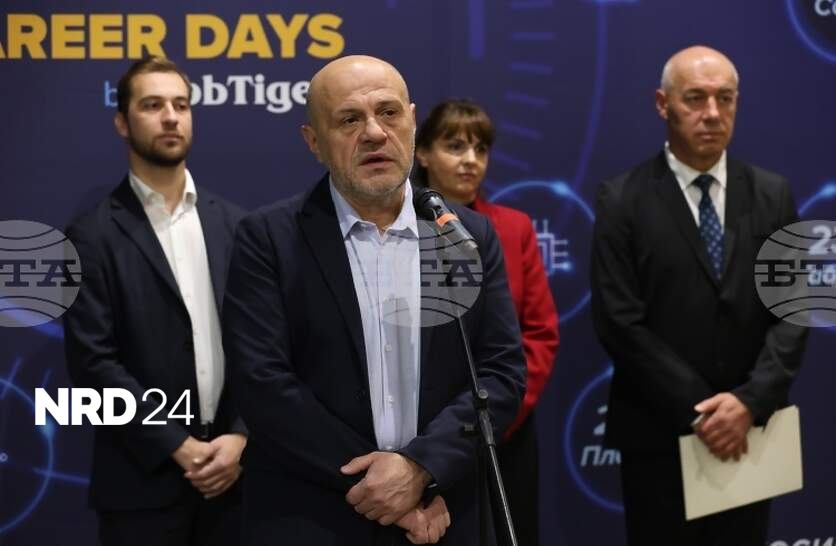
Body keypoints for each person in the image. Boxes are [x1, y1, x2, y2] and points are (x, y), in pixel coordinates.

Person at [221, 55, 526, 546]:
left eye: (388, 113)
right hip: (313, 518)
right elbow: (262, 384)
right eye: (349, 120)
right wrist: (384, 487)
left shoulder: (461, 235)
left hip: (444, 514)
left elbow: (499, 373)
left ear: (412, 121)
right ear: (314, 142)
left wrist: (423, 469)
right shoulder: (269, 239)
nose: (374, 133)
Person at [590, 45, 809, 546]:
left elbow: (793, 310)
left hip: (751, 434)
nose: (712, 113)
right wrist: (706, 411)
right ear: (662, 104)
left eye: (724, 98)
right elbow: (619, 323)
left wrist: (748, 403)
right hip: (659, 436)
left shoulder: (773, 193)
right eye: (695, 98)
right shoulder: (621, 199)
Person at [63, 56, 247, 546]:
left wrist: (241, 436)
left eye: (181, 105)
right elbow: (92, 363)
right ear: (122, 123)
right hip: (140, 484)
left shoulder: (236, 225)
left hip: (237, 481)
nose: (170, 117)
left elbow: (264, 345)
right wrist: (177, 445)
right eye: (152, 105)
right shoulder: (90, 235)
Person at [414, 99, 559, 546]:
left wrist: (498, 413)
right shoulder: (397, 229)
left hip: (505, 431)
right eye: (455, 146)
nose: (470, 160)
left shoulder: (513, 227)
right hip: (424, 438)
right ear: (423, 153)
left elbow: (540, 333)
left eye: (480, 149)